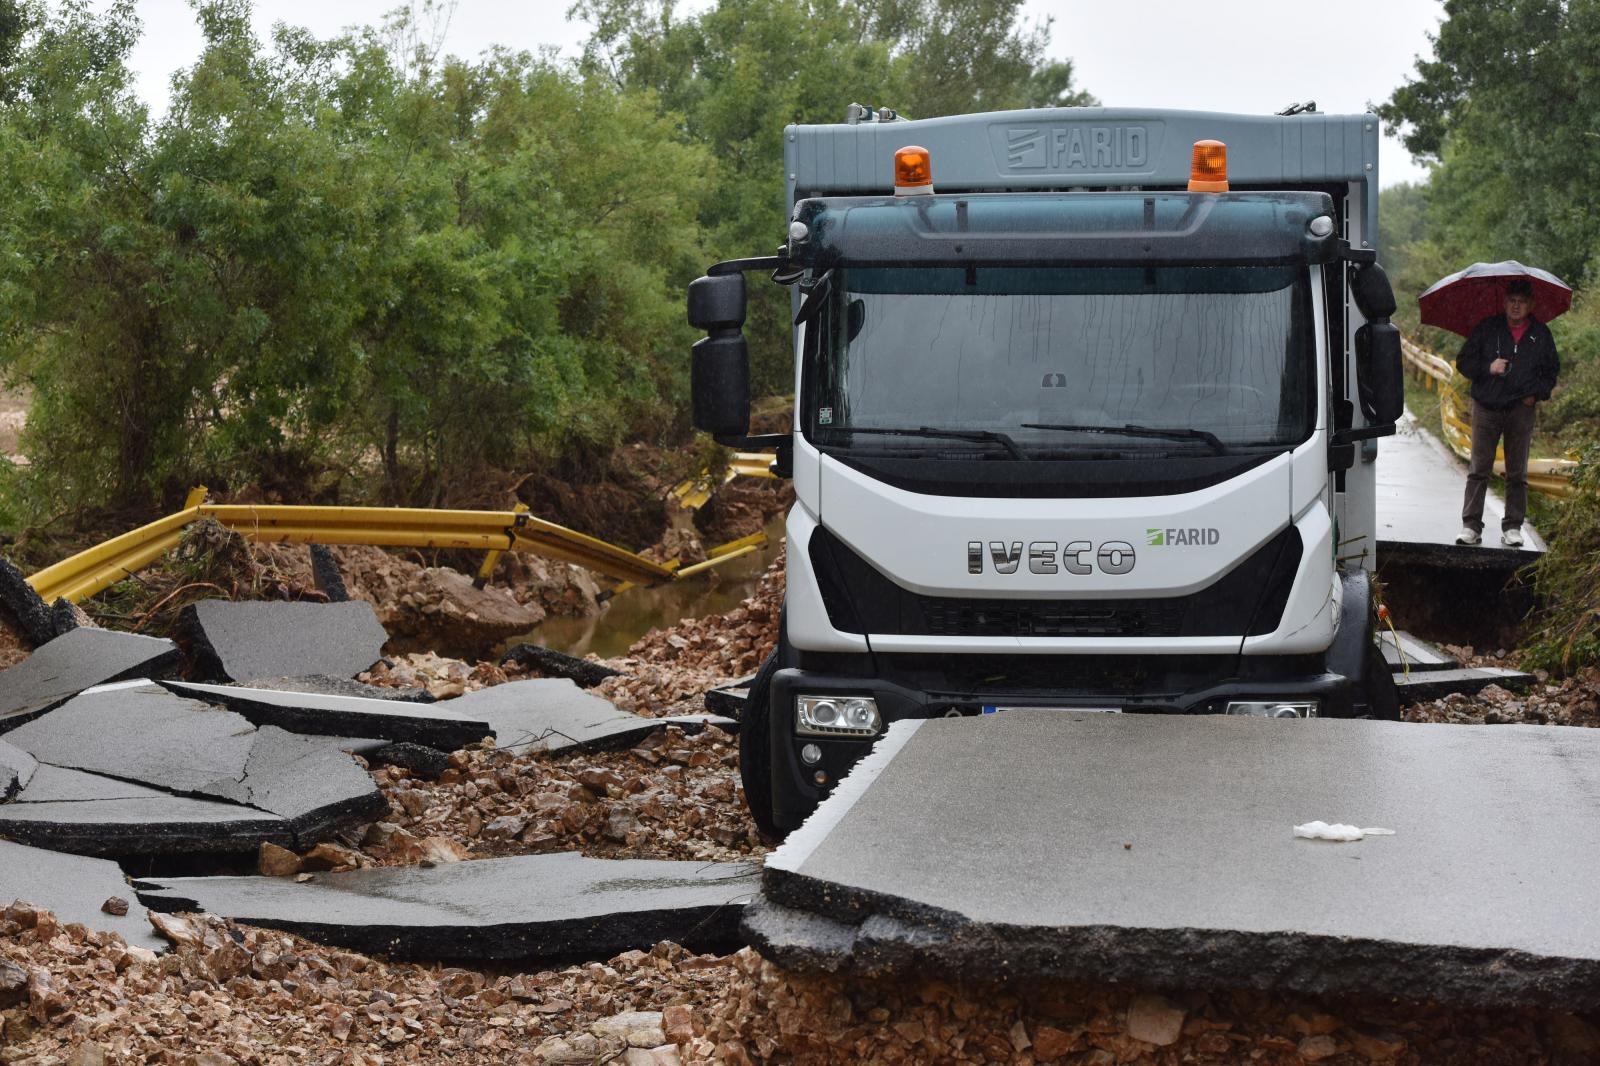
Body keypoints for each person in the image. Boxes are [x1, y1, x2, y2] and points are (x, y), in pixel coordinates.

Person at [1455, 278, 1559, 546]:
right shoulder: (1488, 328)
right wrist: (1488, 368)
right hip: (1487, 407)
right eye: (1512, 300)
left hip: (1520, 410)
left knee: (1517, 472)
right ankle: (1471, 526)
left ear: (1531, 305)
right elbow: (1463, 362)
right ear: (1504, 302)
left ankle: (1513, 526)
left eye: (1521, 302)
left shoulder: (1540, 334)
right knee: (1479, 468)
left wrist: (1535, 394)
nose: (1516, 306)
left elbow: (1551, 372)